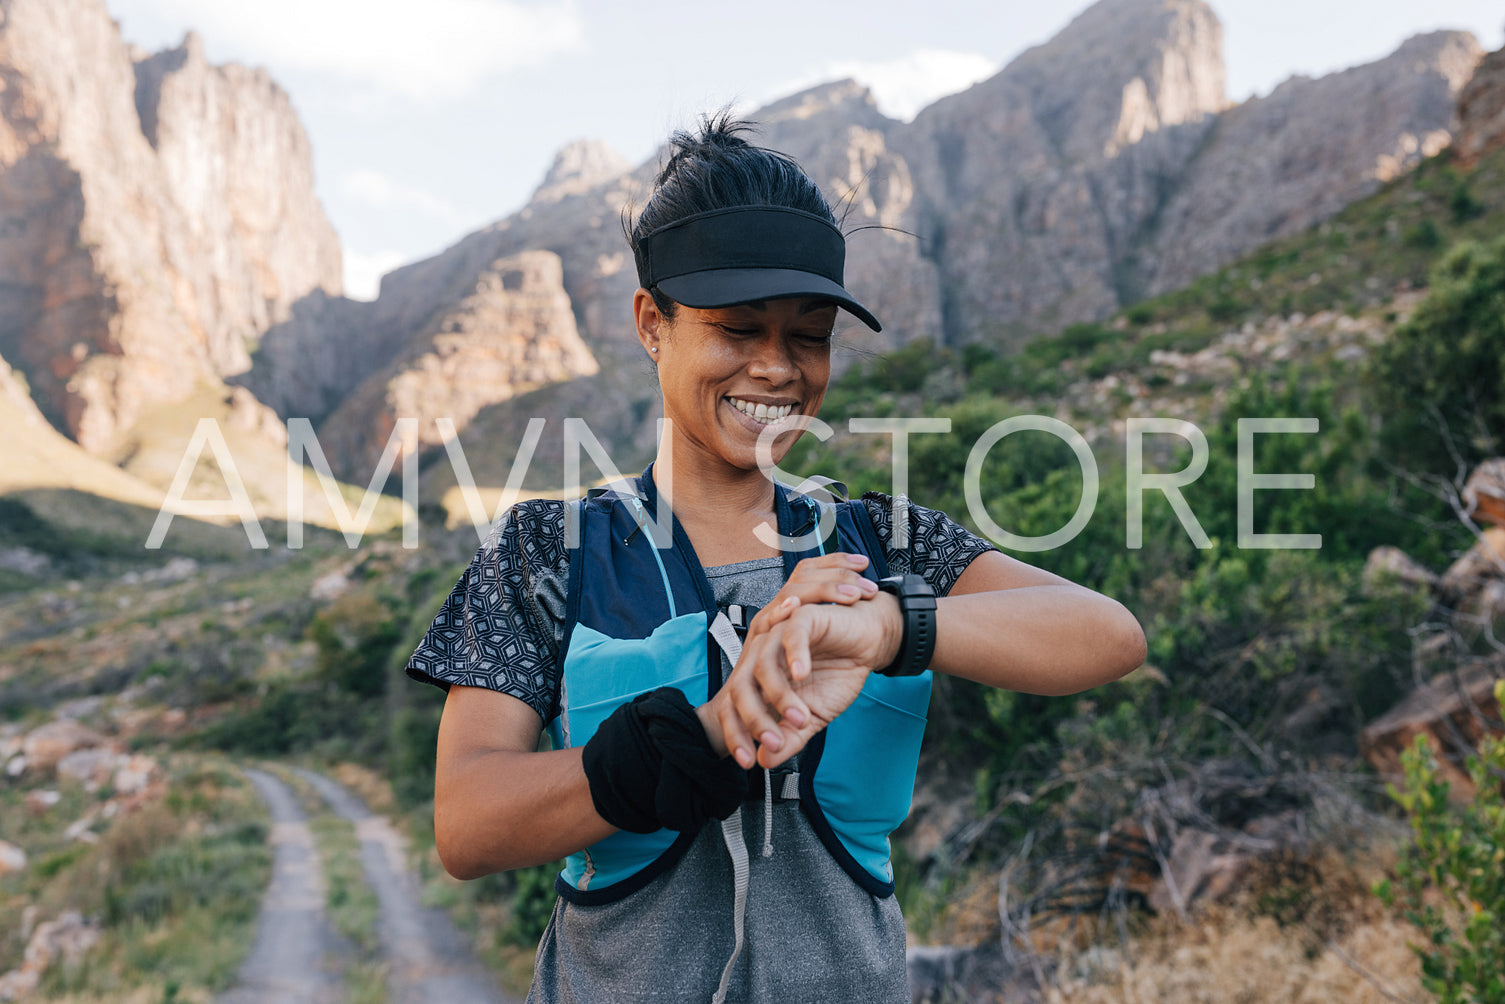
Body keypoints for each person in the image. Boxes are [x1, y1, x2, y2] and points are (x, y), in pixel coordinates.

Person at [406, 114, 1146, 1004]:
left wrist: (887, 625)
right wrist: (708, 735)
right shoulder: (546, 553)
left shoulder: (881, 542)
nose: (776, 368)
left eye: (808, 334)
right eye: (736, 328)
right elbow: (469, 823)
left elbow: (1106, 635)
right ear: (652, 324)